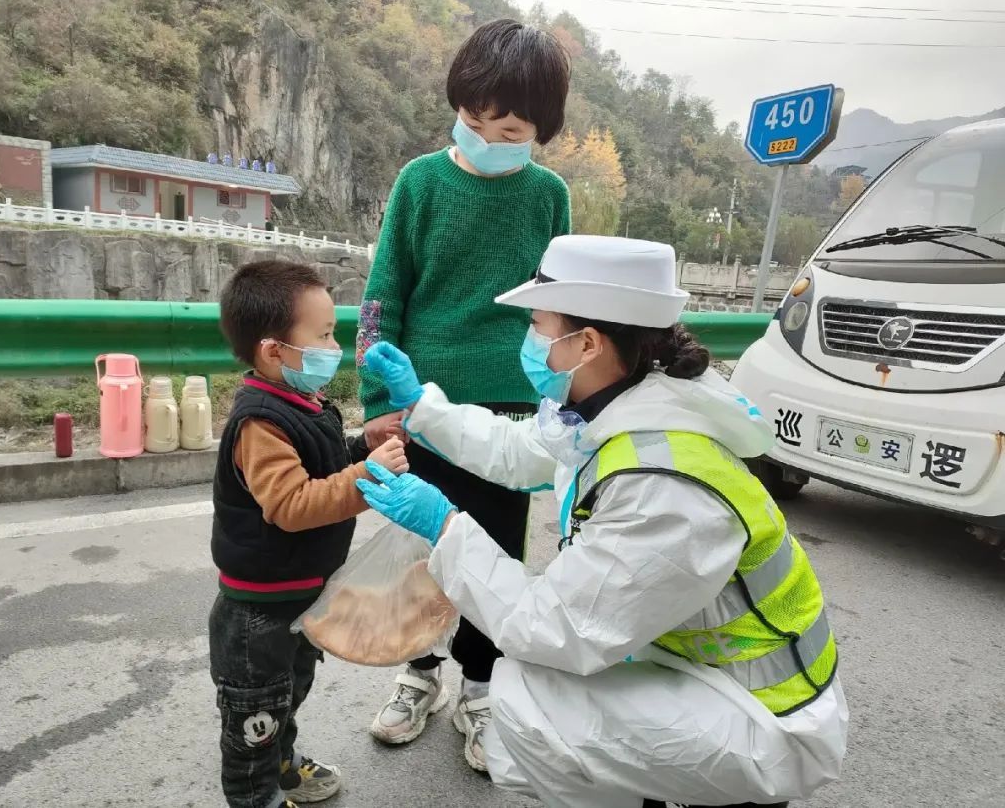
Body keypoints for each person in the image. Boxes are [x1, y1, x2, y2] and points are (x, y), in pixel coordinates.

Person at [355, 235, 849, 808]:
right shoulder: (626, 405)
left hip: (764, 719)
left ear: (587, 342)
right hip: (700, 671)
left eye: (539, 324)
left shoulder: (663, 491)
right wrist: (422, 407)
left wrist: (444, 527)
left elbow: (552, 630)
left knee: (530, 693)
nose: (531, 340)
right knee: (553, 673)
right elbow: (522, 450)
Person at [356, 18, 572, 770]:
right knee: (423, 549)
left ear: (540, 129)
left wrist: (562, 399)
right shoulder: (420, 182)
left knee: (494, 556)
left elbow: (562, 308)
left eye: (507, 126)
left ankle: (481, 689)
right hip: (420, 401)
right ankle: (420, 675)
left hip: (511, 409)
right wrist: (372, 399)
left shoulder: (548, 196)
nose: (485, 134)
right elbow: (383, 298)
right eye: (472, 119)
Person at [209, 260, 409, 808]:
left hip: (296, 598)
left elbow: (321, 466)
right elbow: (293, 504)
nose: (334, 344)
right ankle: (258, 793)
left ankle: (281, 762)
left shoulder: (302, 404)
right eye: (322, 335)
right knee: (256, 713)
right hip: (258, 613)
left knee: (286, 695)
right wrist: (369, 475)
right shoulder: (260, 422)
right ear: (274, 350)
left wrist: (362, 446)